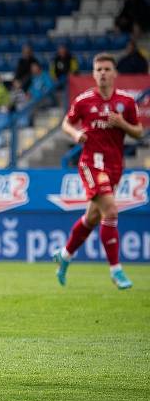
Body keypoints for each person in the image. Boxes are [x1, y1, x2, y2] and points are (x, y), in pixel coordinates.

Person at [53, 53, 143, 290]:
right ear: (93, 74)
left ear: (114, 73)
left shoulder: (126, 102)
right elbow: (66, 123)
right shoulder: (84, 101)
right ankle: (116, 270)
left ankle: (65, 255)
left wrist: (122, 124)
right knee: (110, 210)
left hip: (115, 165)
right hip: (91, 163)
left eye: (106, 69)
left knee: (93, 217)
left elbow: (139, 132)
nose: (102, 73)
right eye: (98, 69)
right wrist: (75, 135)